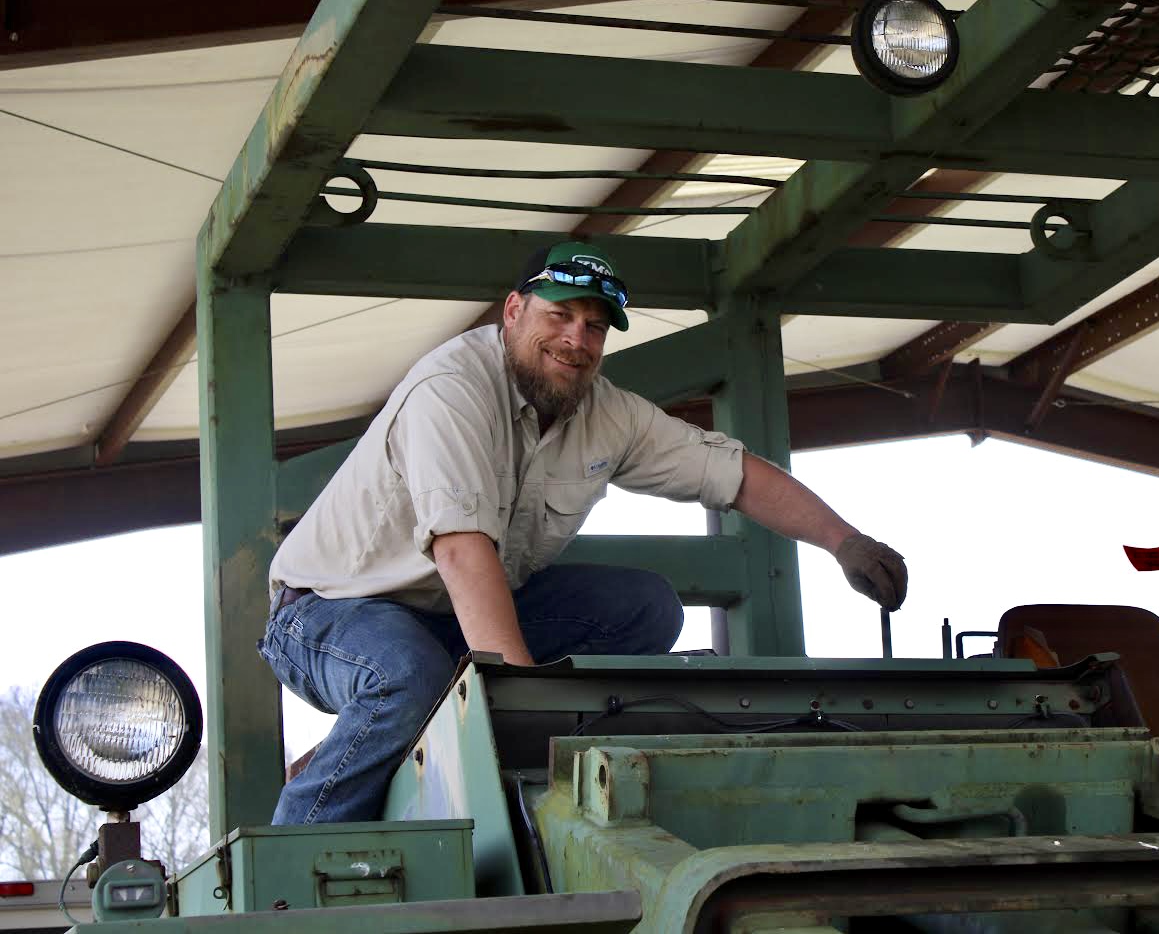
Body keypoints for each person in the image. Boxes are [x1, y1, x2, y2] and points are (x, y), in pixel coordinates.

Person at [257, 241, 908, 825]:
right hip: (328, 612)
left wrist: (844, 541)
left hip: (452, 625)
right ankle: (292, 869)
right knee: (408, 673)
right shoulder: (451, 388)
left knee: (645, 608)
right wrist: (519, 713)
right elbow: (461, 549)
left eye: (594, 326)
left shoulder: (605, 412)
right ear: (513, 311)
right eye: (559, 315)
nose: (577, 338)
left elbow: (731, 473)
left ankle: (386, 732)